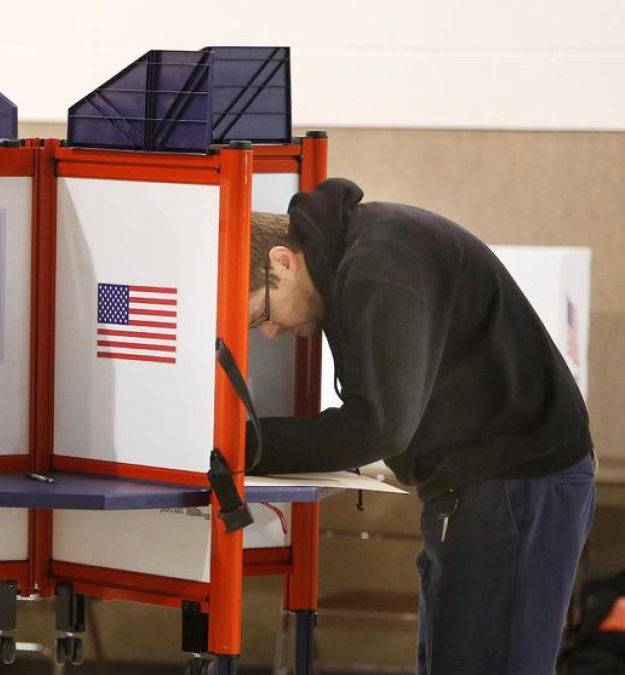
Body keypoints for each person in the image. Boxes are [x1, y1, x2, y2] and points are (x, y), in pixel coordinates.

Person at [246, 178, 595, 675]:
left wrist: (238, 444)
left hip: (519, 485)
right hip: (482, 485)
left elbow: (378, 427)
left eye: (263, 312)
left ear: (282, 260)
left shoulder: (378, 265)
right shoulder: (359, 251)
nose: (271, 331)